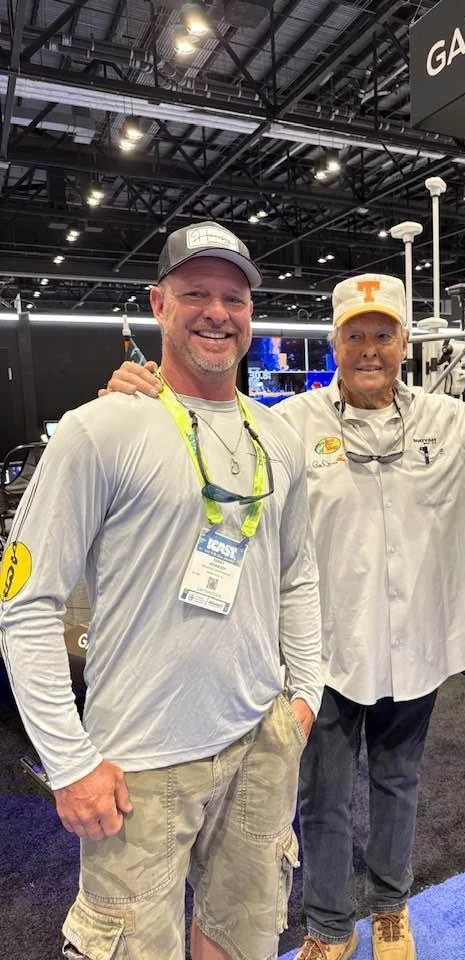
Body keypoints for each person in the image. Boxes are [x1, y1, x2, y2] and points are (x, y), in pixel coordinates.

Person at [104, 272, 465, 960]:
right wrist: (148, 395)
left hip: (417, 650)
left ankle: (389, 907)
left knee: (398, 784)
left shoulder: (455, 422)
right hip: (322, 656)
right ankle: (328, 925)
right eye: (356, 336)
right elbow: (210, 428)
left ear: (404, 342)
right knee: (321, 796)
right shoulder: (289, 424)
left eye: (384, 334)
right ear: (335, 343)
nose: (370, 349)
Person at [0, 221, 323, 960]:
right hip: (139, 759)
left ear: (252, 312)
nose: (217, 313)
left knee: (243, 934)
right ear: (158, 304)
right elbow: (25, 606)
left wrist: (306, 693)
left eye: (234, 298)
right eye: (195, 294)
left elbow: (298, 572)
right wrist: (70, 762)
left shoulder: (277, 438)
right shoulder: (99, 430)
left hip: (260, 737)